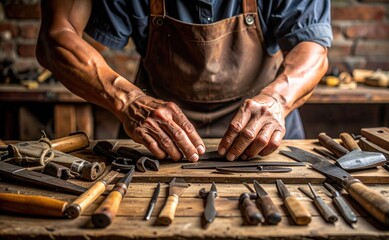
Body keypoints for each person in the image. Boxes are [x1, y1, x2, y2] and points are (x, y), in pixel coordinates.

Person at [36, 0, 332, 162]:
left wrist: (277, 100)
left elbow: (313, 49)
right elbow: (56, 39)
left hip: (263, 139)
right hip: (152, 138)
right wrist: (128, 101)